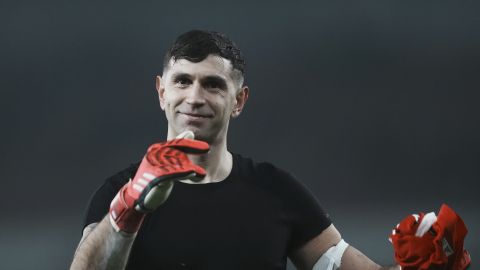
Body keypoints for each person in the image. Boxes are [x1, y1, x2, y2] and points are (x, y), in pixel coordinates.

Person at [70, 30, 469, 270]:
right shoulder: (117, 191)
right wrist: (129, 208)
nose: (194, 97)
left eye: (212, 84)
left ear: (239, 100)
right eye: (182, 81)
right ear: (161, 91)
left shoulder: (276, 191)